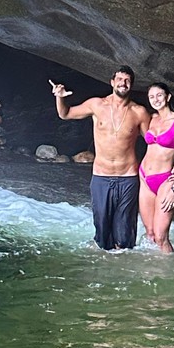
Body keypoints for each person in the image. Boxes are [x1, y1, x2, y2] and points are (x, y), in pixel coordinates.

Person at [49, 67, 150, 251]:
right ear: (112, 82)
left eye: (127, 80)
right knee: (102, 234)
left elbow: (153, 142)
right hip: (101, 176)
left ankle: (125, 275)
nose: (123, 83)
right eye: (119, 79)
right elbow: (65, 114)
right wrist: (60, 97)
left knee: (125, 235)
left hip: (128, 177)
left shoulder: (139, 112)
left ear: (131, 85)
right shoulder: (97, 105)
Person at [139, 81, 174, 255]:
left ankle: (170, 274)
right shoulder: (151, 119)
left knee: (161, 237)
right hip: (144, 178)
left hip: (165, 181)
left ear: (168, 97)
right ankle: (152, 273)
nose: (156, 100)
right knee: (150, 234)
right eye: (152, 97)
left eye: (159, 95)